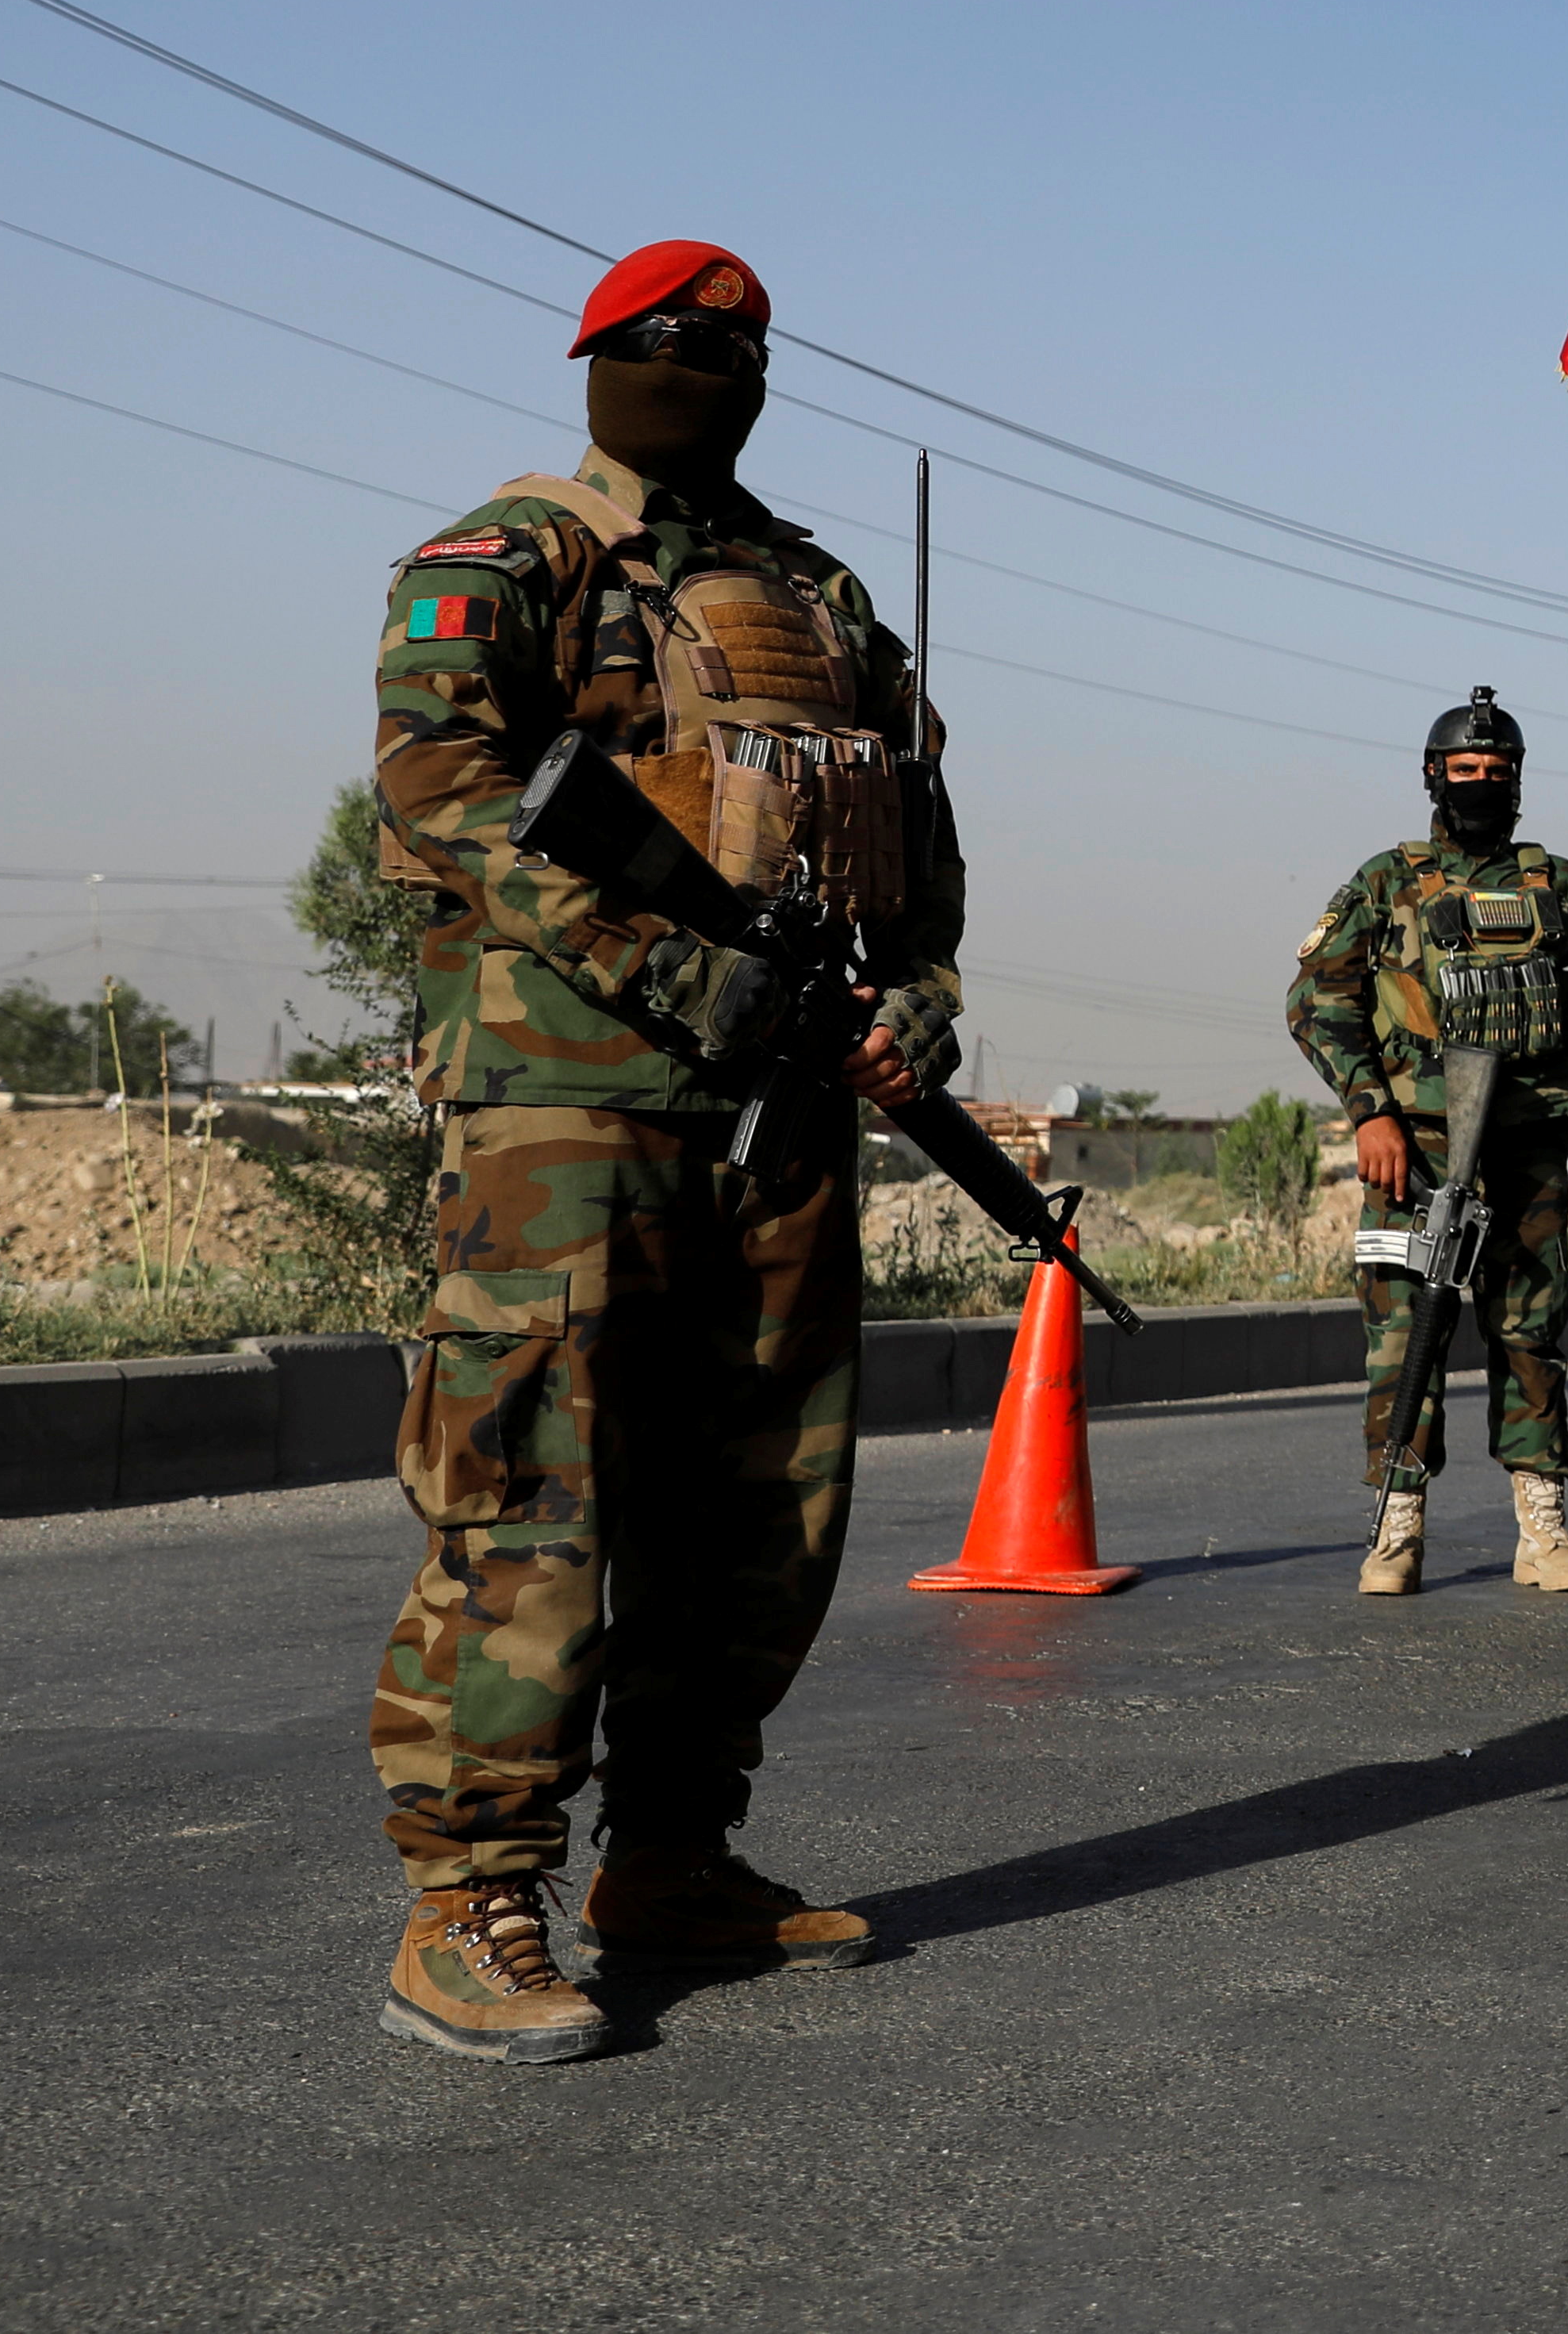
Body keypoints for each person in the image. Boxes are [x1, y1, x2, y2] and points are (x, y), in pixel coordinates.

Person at [363, 239, 964, 2064]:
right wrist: (666, 967)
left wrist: (916, 1001)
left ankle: (675, 1857)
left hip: (774, 1106)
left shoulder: (820, 588)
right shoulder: (507, 558)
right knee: (536, 1482)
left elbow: (909, 829)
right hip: (567, 1107)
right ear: (601, 360)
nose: (703, 367)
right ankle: (469, 1904)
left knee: (762, 1500)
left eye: (733, 348)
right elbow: (446, 797)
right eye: (668, 343)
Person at [1285, 691, 1568, 1598]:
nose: (1481, 784)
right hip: (1414, 1154)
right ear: (1433, 775)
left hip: (1523, 1151)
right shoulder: (1384, 883)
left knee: (1529, 1335)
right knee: (1404, 1338)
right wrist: (1371, 1112)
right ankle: (1397, 1526)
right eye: (1465, 770)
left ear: (1518, 780)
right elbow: (1317, 1001)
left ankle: (1541, 1526)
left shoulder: (1559, 887)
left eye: (1497, 772)